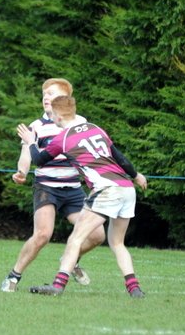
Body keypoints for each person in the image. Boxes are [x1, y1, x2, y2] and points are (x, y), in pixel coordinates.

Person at [17, 95, 148, 297]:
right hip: (126, 188)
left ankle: (57, 286)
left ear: (58, 117)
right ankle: (135, 289)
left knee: (75, 239)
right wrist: (136, 175)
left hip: (106, 189)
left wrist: (31, 142)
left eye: (53, 115)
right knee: (117, 243)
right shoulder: (95, 128)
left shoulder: (63, 138)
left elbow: (39, 160)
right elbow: (119, 156)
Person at [1, 78, 105, 292]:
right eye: (44, 94)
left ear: (65, 99)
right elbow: (26, 155)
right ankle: (13, 277)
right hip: (46, 188)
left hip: (73, 189)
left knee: (97, 235)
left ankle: (70, 260)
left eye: (52, 94)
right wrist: (21, 172)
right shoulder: (36, 127)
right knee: (42, 235)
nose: (46, 98)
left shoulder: (79, 123)